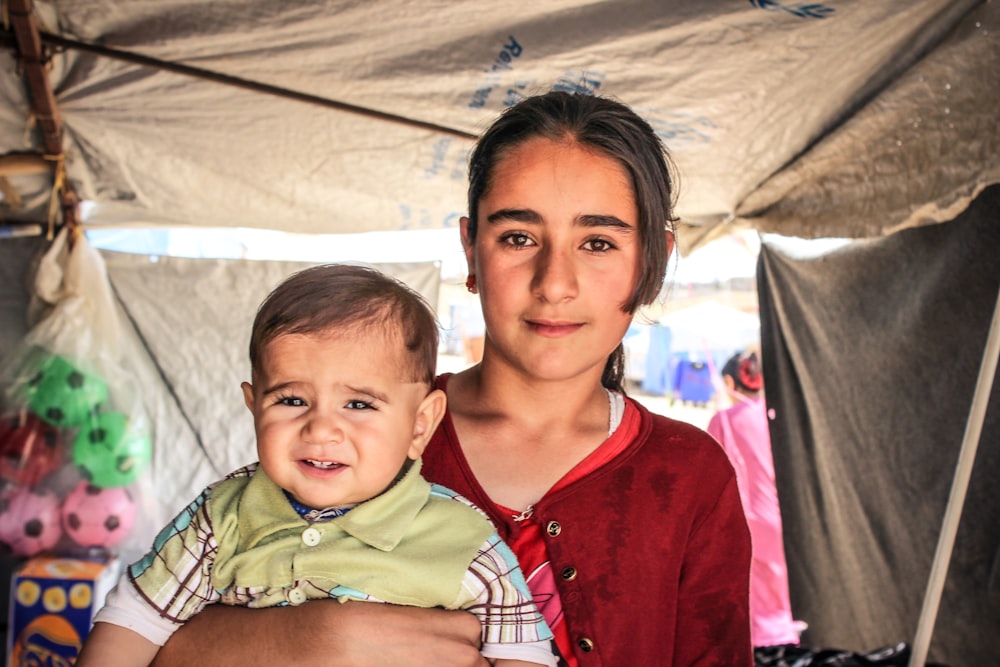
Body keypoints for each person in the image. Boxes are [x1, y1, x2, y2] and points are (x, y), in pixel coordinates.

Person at [150, 91, 753, 667]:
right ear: (471, 250)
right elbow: (151, 630)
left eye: (597, 242)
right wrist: (305, 639)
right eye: (518, 237)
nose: (554, 282)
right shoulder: (350, 430)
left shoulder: (688, 473)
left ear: (653, 260)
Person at [77, 264, 558, 667]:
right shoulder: (218, 520)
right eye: (291, 399)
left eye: (359, 405)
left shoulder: (465, 541)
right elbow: (133, 621)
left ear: (419, 426)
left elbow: (524, 654)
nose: (321, 429)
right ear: (253, 407)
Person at [706, 350, 805, 653]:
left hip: (749, 518)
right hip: (784, 514)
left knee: (755, 594)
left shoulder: (723, 420)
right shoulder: (774, 415)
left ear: (728, 381)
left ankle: (768, 649)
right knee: (780, 591)